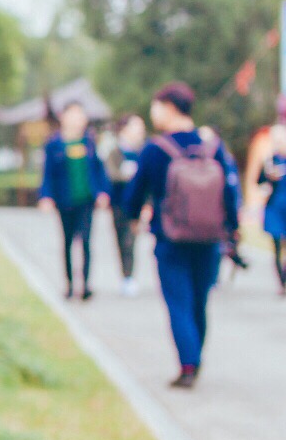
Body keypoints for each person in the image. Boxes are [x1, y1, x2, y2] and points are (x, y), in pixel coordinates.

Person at [123, 82, 241, 390]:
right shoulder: (213, 146)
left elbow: (135, 194)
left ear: (169, 107)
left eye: (155, 107)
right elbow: (229, 192)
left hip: (170, 238)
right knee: (199, 300)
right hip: (209, 238)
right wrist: (233, 228)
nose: (154, 113)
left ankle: (188, 364)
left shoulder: (155, 149)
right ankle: (196, 356)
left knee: (178, 301)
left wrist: (134, 219)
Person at [37, 101, 111, 300]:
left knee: (85, 241)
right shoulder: (54, 144)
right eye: (74, 114)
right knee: (68, 242)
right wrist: (46, 196)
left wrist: (103, 192)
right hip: (65, 200)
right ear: (64, 117)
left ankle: (85, 285)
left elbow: (99, 169)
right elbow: (47, 174)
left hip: (86, 200)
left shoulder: (89, 142)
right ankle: (69, 284)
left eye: (81, 114)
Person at [98, 113, 146, 296]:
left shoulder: (143, 151)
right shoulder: (114, 151)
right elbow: (111, 174)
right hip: (118, 203)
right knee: (120, 239)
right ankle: (125, 275)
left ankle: (129, 276)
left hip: (137, 204)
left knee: (130, 240)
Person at [255, 121, 286, 293]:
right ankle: (282, 282)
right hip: (275, 206)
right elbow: (258, 181)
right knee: (276, 245)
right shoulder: (270, 161)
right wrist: (269, 179)